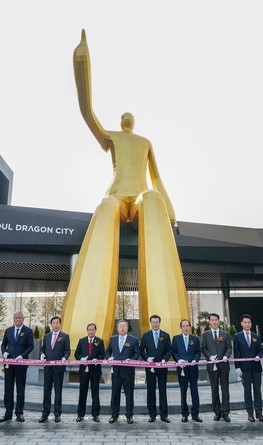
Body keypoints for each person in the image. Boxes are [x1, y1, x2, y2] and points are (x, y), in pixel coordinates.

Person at [63, 30, 190, 346]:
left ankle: (169, 338)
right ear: (121, 123)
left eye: (127, 116)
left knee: (153, 198)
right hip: (118, 195)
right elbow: (88, 115)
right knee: (106, 207)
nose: (125, 118)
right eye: (123, 116)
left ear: (129, 122)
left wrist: (169, 208)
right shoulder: (113, 137)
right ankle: (82, 339)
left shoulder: (145, 141)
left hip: (142, 195)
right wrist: (81, 66)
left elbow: (156, 176)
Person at [0, 310, 34, 423]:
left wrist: (22, 356)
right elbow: (3, 344)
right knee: (8, 389)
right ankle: (8, 413)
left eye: (20, 318)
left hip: (21, 364)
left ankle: (19, 413)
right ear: (13, 319)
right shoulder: (8, 330)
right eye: (16, 318)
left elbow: (30, 346)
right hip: (9, 364)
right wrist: (4, 352)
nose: (18, 319)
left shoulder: (28, 331)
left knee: (20, 389)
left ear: (23, 319)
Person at [106, 319, 140, 424]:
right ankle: (114, 415)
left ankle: (129, 415)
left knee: (129, 394)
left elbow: (137, 353)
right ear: (117, 328)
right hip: (116, 372)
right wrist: (109, 357)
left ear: (127, 328)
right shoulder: (113, 339)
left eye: (124, 326)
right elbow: (108, 351)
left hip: (128, 372)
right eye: (120, 326)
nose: (122, 328)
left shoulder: (133, 340)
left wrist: (131, 360)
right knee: (115, 394)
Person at [139, 314, 172, 423]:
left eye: (157, 322)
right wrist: (146, 358)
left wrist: (165, 359)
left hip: (162, 367)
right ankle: (152, 414)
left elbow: (169, 350)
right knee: (150, 390)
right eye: (153, 322)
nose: (155, 324)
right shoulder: (146, 335)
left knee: (163, 390)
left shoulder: (165, 335)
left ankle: (164, 415)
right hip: (150, 368)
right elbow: (141, 350)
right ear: (151, 323)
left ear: (159, 322)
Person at [233, 314, 263, 423]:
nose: (247, 324)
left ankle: (259, 413)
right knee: (247, 391)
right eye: (245, 322)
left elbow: (261, 350)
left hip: (256, 368)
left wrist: (258, 356)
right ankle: (250, 413)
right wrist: (237, 367)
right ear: (242, 323)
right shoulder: (237, 336)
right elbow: (236, 352)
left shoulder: (256, 337)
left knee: (257, 391)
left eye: (249, 322)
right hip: (244, 368)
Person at [201, 313, 232, 422]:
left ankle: (225, 412)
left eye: (216, 320)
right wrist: (209, 357)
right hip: (212, 366)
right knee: (214, 389)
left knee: (225, 390)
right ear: (209, 322)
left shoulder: (225, 334)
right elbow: (203, 348)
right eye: (212, 320)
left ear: (219, 321)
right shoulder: (205, 334)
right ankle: (217, 412)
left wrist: (226, 356)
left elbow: (229, 347)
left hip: (223, 365)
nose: (214, 322)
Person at [39, 316, 71, 423]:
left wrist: (64, 358)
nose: (55, 325)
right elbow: (43, 349)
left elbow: (67, 351)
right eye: (53, 323)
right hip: (48, 368)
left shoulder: (65, 336)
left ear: (60, 324)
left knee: (58, 391)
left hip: (58, 369)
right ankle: (45, 414)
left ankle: (57, 414)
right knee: (46, 391)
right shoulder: (46, 336)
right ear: (51, 324)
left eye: (57, 323)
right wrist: (42, 355)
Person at [171, 319, 202, 423]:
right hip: (182, 369)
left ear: (190, 327)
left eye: (187, 326)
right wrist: (178, 360)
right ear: (181, 327)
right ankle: (184, 414)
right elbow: (174, 352)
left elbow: (198, 352)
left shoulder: (195, 339)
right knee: (183, 391)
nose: (185, 328)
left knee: (194, 391)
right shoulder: (176, 339)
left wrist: (195, 360)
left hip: (193, 368)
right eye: (183, 326)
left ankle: (195, 414)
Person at [74, 322, 105, 422]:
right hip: (84, 370)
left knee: (95, 392)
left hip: (95, 370)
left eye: (93, 330)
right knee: (82, 392)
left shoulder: (99, 341)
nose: (91, 331)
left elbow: (102, 354)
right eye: (89, 330)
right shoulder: (82, 341)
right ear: (87, 331)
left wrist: (97, 359)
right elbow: (76, 354)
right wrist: (81, 358)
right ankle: (80, 414)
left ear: (95, 330)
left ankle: (95, 414)